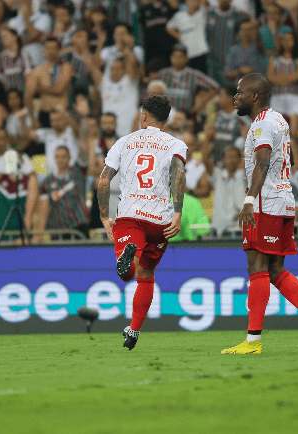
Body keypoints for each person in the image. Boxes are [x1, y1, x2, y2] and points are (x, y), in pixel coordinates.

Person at [221, 73, 298, 355]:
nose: (235, 97)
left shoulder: (261, 125)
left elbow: (262, 162)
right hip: (283, 201)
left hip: (265, 203)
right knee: (275, 270)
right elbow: (291, 159)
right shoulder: (279, 119)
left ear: (254, 97)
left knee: (256, 267)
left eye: (240, 92)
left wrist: (249, 200)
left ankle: (253, 342)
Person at [97, 95, 187, 350]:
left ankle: (128, 257)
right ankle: (134, 330)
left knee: (128, 275)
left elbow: (104, 181)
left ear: (143, 116)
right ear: (166, 119)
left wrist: (105, 216)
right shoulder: (175, 144)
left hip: (130, 216)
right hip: (161, 220)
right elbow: (179, 174)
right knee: (147, 273)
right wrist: (178, 213)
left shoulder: (123, 143)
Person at [35, 146, 90, 242]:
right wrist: (39, 234)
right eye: (58, 157)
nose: (60, 160)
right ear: (54, 159)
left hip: (79, 226)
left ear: (69, 157)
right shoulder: (47, 182)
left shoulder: (78, 173)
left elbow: (84, 156)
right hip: (59, 229)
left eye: (64, 156)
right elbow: (43, 209)